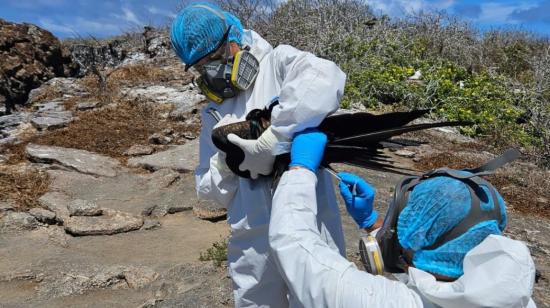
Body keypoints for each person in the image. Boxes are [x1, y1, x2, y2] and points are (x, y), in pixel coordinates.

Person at [170, 4, 346, 307]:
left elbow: (326, 78)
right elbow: (205, 186)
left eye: (216, 58)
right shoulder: (213, 113)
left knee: (320, 298)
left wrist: (276, 137)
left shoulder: (278, 63)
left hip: (311, 222)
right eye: (202, 67)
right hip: (253, 236)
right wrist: (227, 163)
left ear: (234, 35)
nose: (214, 71)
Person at [269, 129, 537, 308]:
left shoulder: (380, 302)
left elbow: (295, 246)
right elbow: (434, 279)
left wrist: (300, 169)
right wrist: (371, 223)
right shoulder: (515, 294)